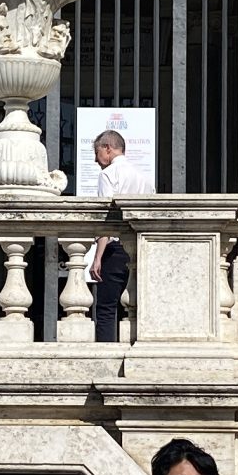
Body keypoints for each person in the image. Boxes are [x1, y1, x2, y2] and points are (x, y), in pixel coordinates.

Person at [85, 126, 152, 342]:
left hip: (114, 250)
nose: (96, 160)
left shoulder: (108, 174)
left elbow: (107, 219)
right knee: (136, 304)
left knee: (106, 307)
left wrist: (97, 258)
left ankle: (106, 353)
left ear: (107, 148)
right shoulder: (143, 178)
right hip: (139, 248)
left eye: (96, 153)